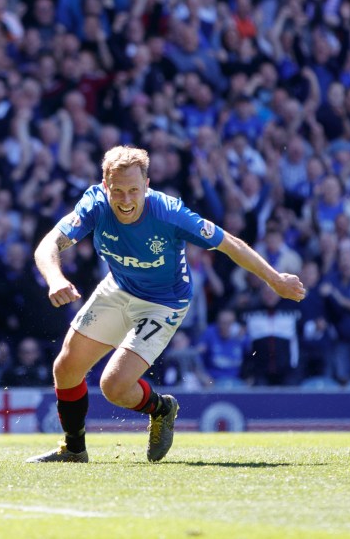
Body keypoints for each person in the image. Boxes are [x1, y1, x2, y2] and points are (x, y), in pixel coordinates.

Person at [27, 146, 305, 463]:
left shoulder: (169, 213)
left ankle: (162, 408)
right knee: (65, 368)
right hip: (118, 288)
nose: (126, 200)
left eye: (134, 190)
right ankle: (74, 449)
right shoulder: (94, 204)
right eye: (118, 191)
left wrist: (274, 279)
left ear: (147, 185)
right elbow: (48, 243)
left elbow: (230, 244)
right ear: (106, 186)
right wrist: (55, 279)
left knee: (114, 387)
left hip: (164, 303)